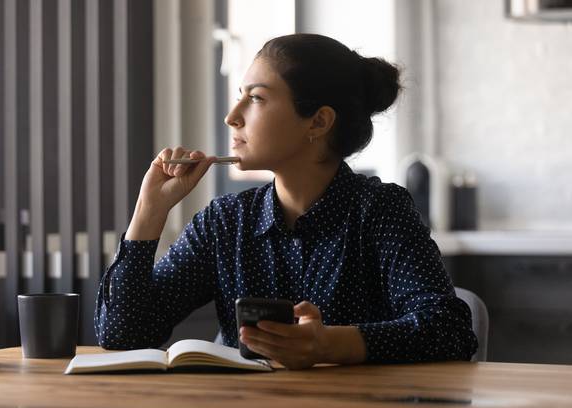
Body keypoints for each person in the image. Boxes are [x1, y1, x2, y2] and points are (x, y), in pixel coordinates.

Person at [94, 33, 477, 369]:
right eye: (239, 97)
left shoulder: (379, 211)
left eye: (256, 98)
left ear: (318, 123)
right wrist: (150, 209)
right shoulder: (226, 221)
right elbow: (121, 334)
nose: (232, 117)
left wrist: (329, 343)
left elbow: (450, 330)